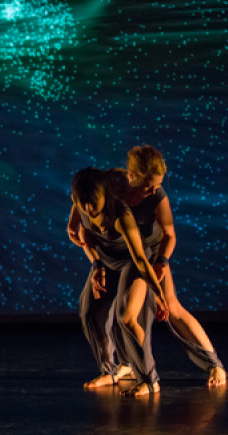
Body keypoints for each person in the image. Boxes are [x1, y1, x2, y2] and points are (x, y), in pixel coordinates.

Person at [122, 145, 227, 387]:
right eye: (150, 185)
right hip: (124, 256)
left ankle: (214, 365)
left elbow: (169, 234)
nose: (156, 189)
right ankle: (126, 367)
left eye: (159, 184)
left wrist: (161, 262)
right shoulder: (116, 190)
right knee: (120, 312)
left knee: (171, 307)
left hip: (150, 255)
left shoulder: (157, 196)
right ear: (131, 175)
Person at [70, 167, 169, 397]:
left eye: (94, 202)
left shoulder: (120, 215)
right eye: (83, 204)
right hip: (106, 261)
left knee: (127, 317)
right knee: (89, 312)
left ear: (105, 193)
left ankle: (149, 378)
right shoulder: (81, 202)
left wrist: (159, 294)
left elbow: (141, 259)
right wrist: (95, 264)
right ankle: (111, 370)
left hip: (132, 262)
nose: (89, 209)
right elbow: (83, 233)